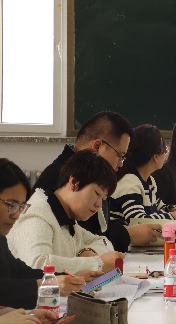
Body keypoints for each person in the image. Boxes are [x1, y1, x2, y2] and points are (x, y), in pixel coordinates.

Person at [34, 111, 161, 251]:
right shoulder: (60, 179)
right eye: (120, 155)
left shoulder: (92, 176)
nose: (120, 164)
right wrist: (127, 235)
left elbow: (95, 232)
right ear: (97, 147)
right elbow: (78, 245)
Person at [0, 159, 98, 310]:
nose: (16, 215)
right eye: (11, 205)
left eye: (21, 207)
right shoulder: (39, 214)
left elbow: (18, 272)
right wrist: (47, 286)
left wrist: (65, 280)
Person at [8, 150, 125, 273]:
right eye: (97, 193)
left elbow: (103, 242)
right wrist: (97, 263)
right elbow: (36, 264)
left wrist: (86, 251)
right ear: (74, 183)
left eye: (103, 199)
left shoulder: (67, 219)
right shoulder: (37, 216)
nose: (99, 205)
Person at [110, 124, 176, 224]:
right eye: (165, 150)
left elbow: (160, 207)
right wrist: (175, 216)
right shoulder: (129, 182)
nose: (165, 154)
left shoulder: (149, 181)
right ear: (156, 157)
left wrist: (175, 209)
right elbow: (138, 221)